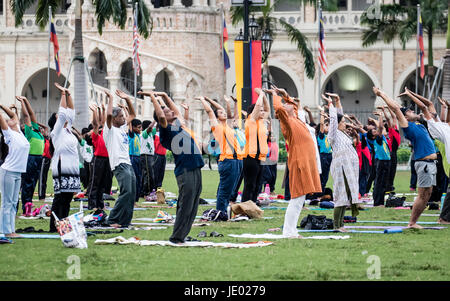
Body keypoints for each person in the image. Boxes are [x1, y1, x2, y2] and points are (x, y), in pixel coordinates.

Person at [140, 90, 204, 244]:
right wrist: (153, 98)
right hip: (185, 170)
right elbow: (161, 116)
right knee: (185, 203)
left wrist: (165, 96)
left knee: (194, 204)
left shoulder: (176, 127)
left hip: (195, 167)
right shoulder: (166, 130)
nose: (171, 111)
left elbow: (174, 111)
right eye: (167, 111)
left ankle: (183, 234)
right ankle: (176, 237)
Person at [374, 86, 437, 229]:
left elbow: (426, 106)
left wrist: (411, 94)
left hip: (430, 163)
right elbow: (397, 109)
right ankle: (412, 223)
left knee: (427, 195)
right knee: (422, 195)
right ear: (406, 117)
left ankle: (414, 221)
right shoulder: (408, 126)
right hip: (424, 164)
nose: (413, 111)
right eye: (409, 111)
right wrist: (381, 94)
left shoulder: (420, 125)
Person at [265, 87, 321, 237]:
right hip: (299, 161)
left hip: (305, 161)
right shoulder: (287, 122)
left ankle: (292, 231)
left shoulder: (295, 118)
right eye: (285, 104)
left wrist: (285, 94)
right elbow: (278, 108)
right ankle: (288, 231)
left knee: (300, 199)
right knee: (296, 198)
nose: (288, 104)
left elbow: (294, 106)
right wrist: (276, 96)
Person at [198, 96, 243, 217]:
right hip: (227, 160)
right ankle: (219, 213)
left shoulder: (227, 125)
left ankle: (223, 212)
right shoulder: (217, 127)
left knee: (231, 190)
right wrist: (203, 100)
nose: (224, 113)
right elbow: (210, 111)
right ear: (217, 117)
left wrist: (225, 102)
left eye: (224, 112)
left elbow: (231, 114)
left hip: (237, 160)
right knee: (224, 190)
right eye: (221, 113)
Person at [323, 93, 362, 231]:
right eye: (343, 122)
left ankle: (342, 224)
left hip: (349, 168)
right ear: (338, 124)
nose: (345, 123)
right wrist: (330, 105)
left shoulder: (343, 134)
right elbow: (334, 119)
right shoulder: (333, 134)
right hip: (341, 168)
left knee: (346, 196)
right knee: (341, 196)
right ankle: (336, 225)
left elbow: (339, 115)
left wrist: (338, 100)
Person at [48, 83, 81, 232]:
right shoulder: (56, 132)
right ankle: (54, 226)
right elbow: (62, 114)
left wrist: (68, 94)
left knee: (67, 199)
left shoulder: (68, 131)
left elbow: (71, 112)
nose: (63, 117)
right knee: (60, 198)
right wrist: (62, 94)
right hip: (62, 167)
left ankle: (63, 226)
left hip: (72, 168)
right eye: (59, 118)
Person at [103, 90, 137, 228]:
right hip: (119, 164)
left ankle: (125, 221)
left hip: (127, 163)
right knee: (126, 192)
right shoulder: (109, 129)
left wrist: (128, 99)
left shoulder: (122, 128)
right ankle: (112, 220)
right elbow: (109, 114)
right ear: (115, 118)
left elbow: (133, 115)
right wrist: (111, 98)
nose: (124, 118)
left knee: (132, 193)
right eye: (121, 116)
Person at [0, 102, 30, 237]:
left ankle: (11, 230)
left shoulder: (19, 132)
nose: (11, 119)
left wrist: (2, 105)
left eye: (13, 119)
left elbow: (12, 114)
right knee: (7, 202)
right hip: (8, 171)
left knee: (13, 203)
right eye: (9, 121)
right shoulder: (9, 134)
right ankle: (5, 231)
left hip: (18, 172)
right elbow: (2, 117)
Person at [242, 88, 269, 204]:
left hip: (260, 158)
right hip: (250, 157)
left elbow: (267, 109)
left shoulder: (261, 122)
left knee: (258, 185)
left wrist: (264, 97)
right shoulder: (250, 121)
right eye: (260, 111)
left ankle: (252, 206)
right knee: (250, 184)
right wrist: (261, 94)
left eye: (263, 111)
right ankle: (245, 206)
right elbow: (258, 106)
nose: (262, 112)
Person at [19, 96, 44, 214]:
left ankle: (29, 205)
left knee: (33, 183)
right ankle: (25, 207)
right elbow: (27, 116)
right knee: (28, 183)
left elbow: (32, 114)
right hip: (31, 158)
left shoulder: (37, 131)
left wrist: (26, 100)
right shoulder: (29, 132)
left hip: (39, 159)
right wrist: (22, 103)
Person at [87, 102, 113, 212]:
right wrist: (94, 112)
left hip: (107, 160)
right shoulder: (95, 135)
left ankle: (100, 204)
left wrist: (102, 109)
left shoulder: (104, 133)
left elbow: (103, 122)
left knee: (102, 183)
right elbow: (96, 124)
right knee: (95, 183)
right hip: (98, 159)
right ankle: (92, 204)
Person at [369, 110, 391, 207]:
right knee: (379, 182)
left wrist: (378, 119)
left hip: (386, 162)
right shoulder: (378, 139)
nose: (376, 130)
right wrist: (380, 116)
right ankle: (378, 202)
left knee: (383, 183)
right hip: (381, 162)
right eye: (374, 131)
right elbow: (381, 127)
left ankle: (380, 202)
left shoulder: (382, 139)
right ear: (374, 135)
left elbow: (382, 128)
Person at [317, 106, 332, 193]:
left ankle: (321, 191)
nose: (328, 127)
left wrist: (329, 119)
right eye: (327, 126)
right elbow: (322, 124)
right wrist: (322, 114)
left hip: (329, 156)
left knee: (326, 176)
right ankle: (319, 192)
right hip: (323, 156)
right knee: (322, 175)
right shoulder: (321, 136)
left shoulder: (329, 136)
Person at [140, 120, 156, 197]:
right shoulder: (144, 134)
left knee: (150, 174)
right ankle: (147, 192)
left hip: (150, 155)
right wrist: (155, 119)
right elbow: (150, 127)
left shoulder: (150, 134)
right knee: (148, 175)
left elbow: (158, 127)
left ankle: (146, 191)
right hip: (145, 155)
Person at [128, 118, 143, 202]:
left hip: (138, 158)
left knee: (139, 179)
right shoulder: (132, 135)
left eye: (140, 127)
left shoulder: (137, 135)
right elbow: (129, 122)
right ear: (133, 128)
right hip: (133, 158)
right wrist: (128, 112)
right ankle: (132, 200)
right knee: (134, 180)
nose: (140, 129)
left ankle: (135, 199)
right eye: (138, 127)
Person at [38, 126, 52, 201]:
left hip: (48, 159)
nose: (44, 131)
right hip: (44, 159)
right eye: (42, 130)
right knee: (42, 178)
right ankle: (41, 196)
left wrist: (38, 124)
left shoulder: (47, 138)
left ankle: (43, 195)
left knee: (45, 178)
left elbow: (46, 128)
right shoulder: (41, 138)